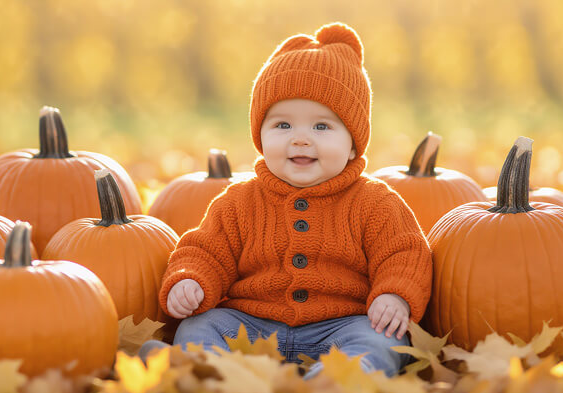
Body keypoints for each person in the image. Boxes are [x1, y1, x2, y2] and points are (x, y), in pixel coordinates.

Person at [143, 22, 432, 379]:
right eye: (282, 125)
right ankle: (201, 368)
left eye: (321, 127)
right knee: (201, 326)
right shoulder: (239, 201)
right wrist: (191, 281)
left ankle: (337, 379)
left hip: (340, 327)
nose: (300, 139)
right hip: (252, 326)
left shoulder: (375, 202)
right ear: (260, 136)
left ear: (354, 142)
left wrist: (395, 296)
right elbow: (205, 249)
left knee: (382, 339)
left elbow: (405, 253)